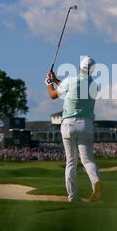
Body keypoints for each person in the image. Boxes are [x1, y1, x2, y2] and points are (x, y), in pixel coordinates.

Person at [46, 56, 102, 202]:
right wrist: (56, 80)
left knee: (71, 162)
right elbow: (73, 89)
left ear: (79, 67)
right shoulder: (95, 86)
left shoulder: (70, 81)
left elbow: (53, 95)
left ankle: (72, 197)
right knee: (87, 160)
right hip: (86, 125)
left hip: (68, 125)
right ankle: (96, 182)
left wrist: (49, 83)